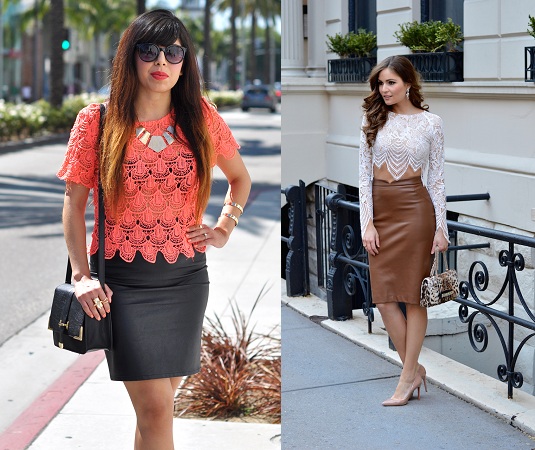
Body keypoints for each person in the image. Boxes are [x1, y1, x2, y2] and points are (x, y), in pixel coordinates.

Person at [57, 9, 251, 448]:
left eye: (174, 51)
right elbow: (73, 204)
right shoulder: (98, 121)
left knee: (155, 411)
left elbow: (241, 178)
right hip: (121, 285)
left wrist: (223, 228)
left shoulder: (200, 117)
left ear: (185, 63)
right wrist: (82, 275)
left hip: (185, 279)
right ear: (131, 57)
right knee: (158, 410)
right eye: (149, 50)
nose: (161, 61)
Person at [359, 55, 448, 407]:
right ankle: (413, 370)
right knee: (383, 298)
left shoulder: (432, 124)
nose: (384, 89)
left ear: (408, 83)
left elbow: (437, 179)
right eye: (380, 84)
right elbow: (363, 176)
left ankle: (407, 377)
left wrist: (441, 228)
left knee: (413, 297)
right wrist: (367, 221)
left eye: (391, 83)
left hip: (416, 210)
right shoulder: (371, 119)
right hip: (381, 210)